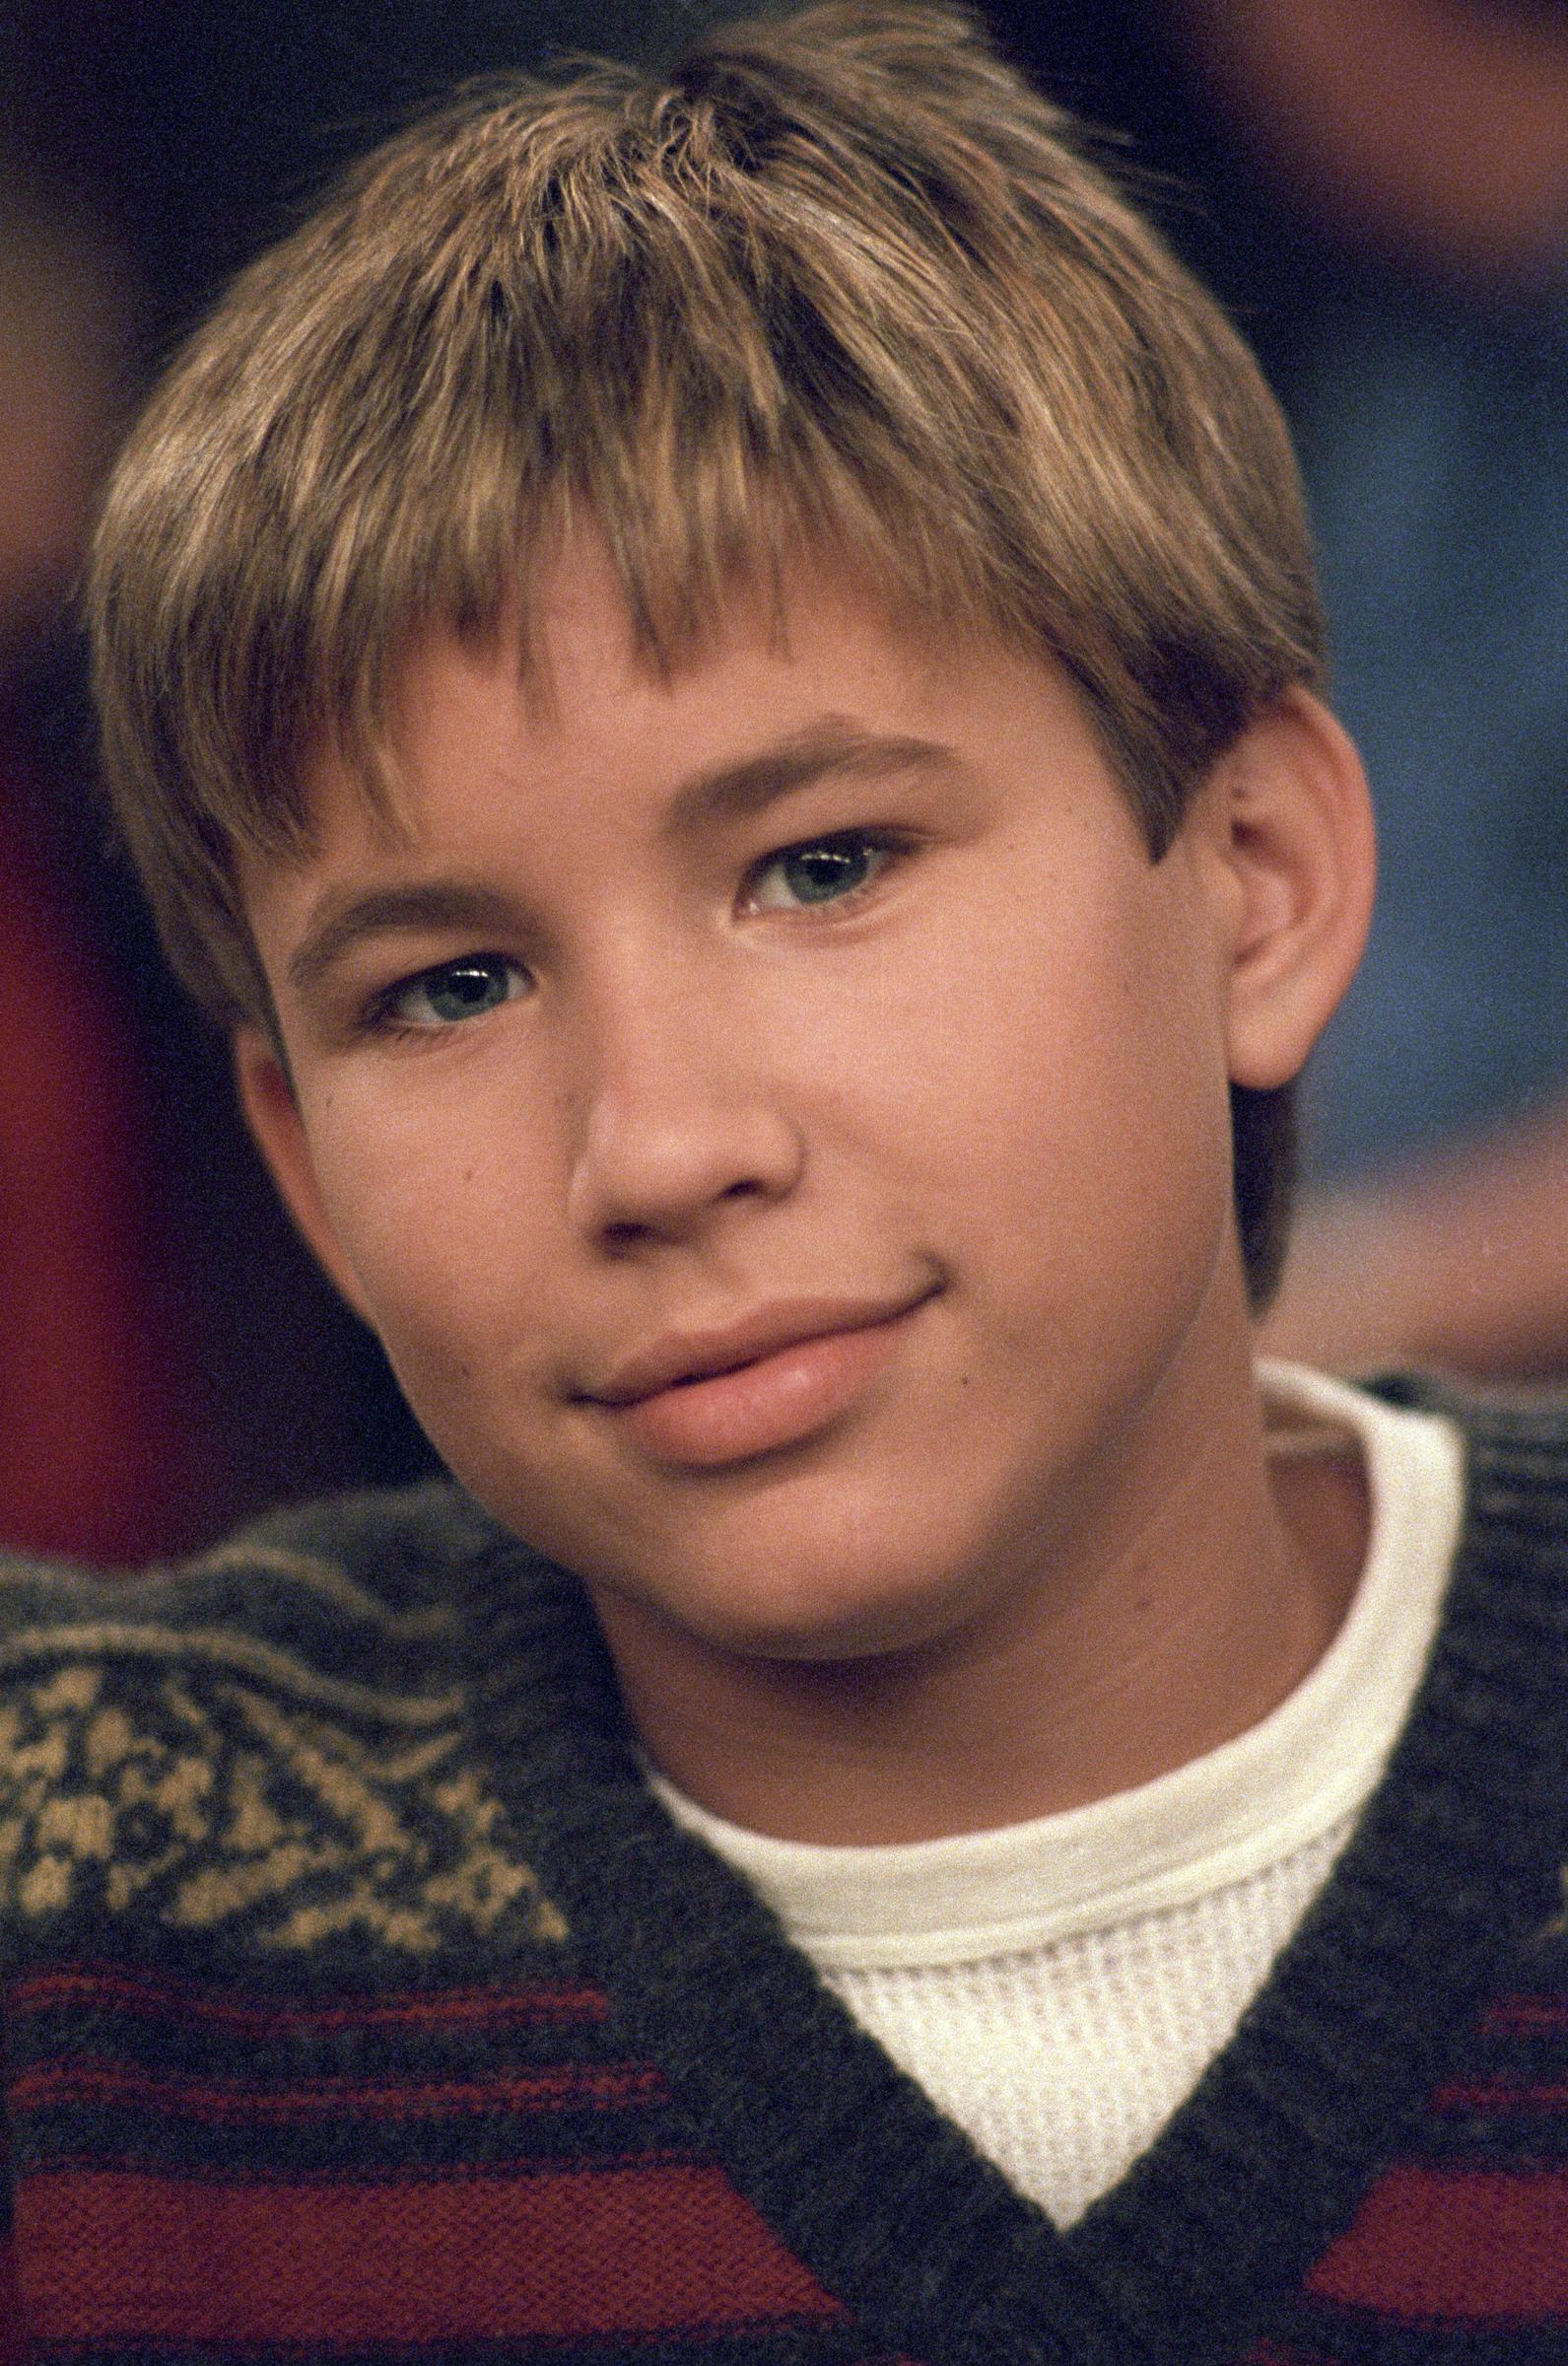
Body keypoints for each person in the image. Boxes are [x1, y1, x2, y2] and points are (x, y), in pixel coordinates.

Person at [0, 7, 1563, 2359]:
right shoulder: (87, 1894)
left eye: (822, 864)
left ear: (1249, 881)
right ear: (300, 1168)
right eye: (442, 992)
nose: (657, 1145)